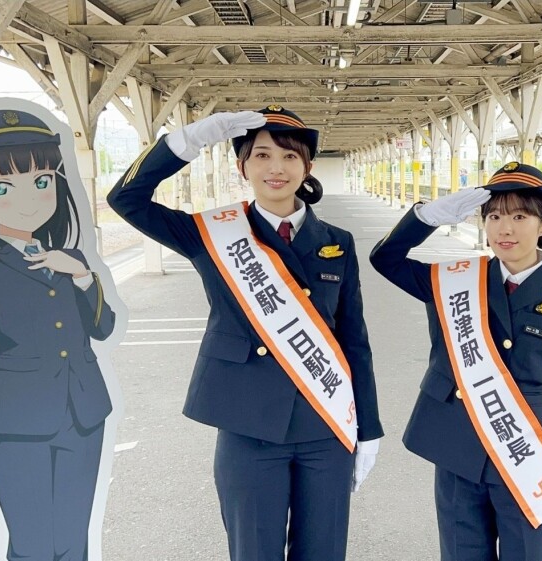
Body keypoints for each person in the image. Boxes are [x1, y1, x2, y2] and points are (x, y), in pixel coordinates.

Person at [107, 106, 383, 561]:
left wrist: (368, 427)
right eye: (262, 155)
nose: (276, 167)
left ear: (307, 167)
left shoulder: (338, 240)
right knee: (254, 551)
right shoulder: (210, 233)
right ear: (243, 167)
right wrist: (188, 140)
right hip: (248, 424)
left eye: (290, 157)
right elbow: (127, 199)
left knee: (325, 552)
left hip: (327, 423)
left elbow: (354, 338)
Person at [370, 162, 542, 561]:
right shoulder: (454, 279)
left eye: (519, 216)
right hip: (457, 447)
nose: (503, 228)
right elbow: (384, 259)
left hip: (523, 449)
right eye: (493, 215)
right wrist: (428, 217)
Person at [0, 108, 116, 561]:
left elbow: (102, 329)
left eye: (42, 182)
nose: (29, 201)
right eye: (2, 188)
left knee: (72, 544)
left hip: (84, 414)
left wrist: (84, 276)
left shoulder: (66, 256)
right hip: (17, 422)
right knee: (31, 545)